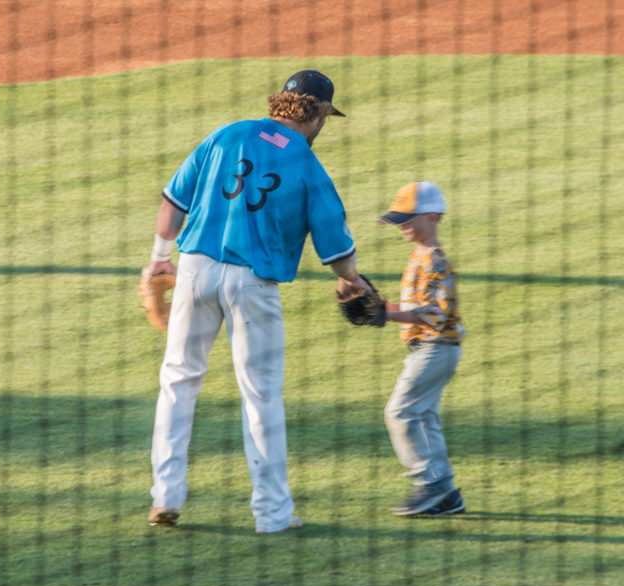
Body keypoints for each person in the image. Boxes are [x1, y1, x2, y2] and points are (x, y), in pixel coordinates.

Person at [145, 70, 369, 533]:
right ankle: (272, 514)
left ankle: (165, 497)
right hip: (252, 286)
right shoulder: (307, 165)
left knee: (178, 382)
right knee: (261, 395)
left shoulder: (228, 135)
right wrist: (353, 282)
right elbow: (336, 248)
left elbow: (172, 203)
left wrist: (158, 261)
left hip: (194, 271)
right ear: (321, 113)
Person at [376, 181, 466, 516]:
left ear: (432, 217)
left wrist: (384, 314)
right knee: (424, 416)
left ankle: (430, 483)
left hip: (436, 348)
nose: (402, 225)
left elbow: (435, 314)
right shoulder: (420, 256)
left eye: (408, 218)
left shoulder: (436, 261)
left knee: (400, 412)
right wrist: (383, 305)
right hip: (430, 348)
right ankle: (446, 494)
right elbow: (418, 304)